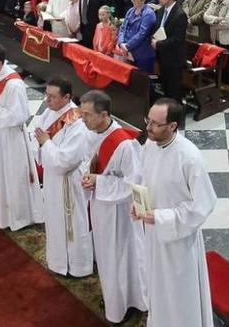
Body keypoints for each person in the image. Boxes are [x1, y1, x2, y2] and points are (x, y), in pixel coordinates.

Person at [132, 98, 216, 327]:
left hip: (178, 242)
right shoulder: (150, 144)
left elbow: (203, 205)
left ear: (173, 126)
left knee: (177, 296)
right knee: (156, 286)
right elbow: (144, 177)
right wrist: (138, 201)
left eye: (156, 124)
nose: (148, 127)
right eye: (148, 120)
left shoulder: (189, 157)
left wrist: (160, 217)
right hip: (153, 234)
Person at [79, 90, 148, 323]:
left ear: (105, 114)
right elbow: (88, 163)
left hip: (120, 213)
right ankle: (113, 297)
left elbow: (134, 183)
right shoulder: (92, 133)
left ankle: (128, 302)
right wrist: (88, 176)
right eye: (81, 113)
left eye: (87, 115)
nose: (82, 119)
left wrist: (98, 180)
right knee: (106, 256)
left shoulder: (124, 145)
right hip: (101, 205)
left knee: (121, 257)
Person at [0, 44, 44, 231]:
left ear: (0, 63)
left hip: (11, 139)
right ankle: (4, 212)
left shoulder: (14, 84)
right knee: (0, 173)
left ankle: (20, 217)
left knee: (14, 176)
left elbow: (20, 116)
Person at [32, 77, 93, 278]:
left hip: (68, 181)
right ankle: (58, 261)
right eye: (46, 94)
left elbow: (65, 161)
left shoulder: (76, 121)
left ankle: (77, 266)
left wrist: (46, 143)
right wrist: (43, 144)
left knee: (73, 223)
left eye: (52, 96)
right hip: (52, 179)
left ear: (67, 97)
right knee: (54, 219)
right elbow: (39, 141)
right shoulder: (49, 113)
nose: (46, 100)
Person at [152, 0, 188, 102]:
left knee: (173, 91)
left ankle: (176, 115)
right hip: (162, 55)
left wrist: (158, 44)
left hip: (174, 58)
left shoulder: (180, 14)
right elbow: (157, 28)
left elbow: (177, 39)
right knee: (165, 88)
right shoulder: (162, 10)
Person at [117, 0, 157, 74]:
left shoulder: (149, 14)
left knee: (143, 80)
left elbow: (142, 34)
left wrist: (127, 46)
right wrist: (121, 43)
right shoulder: (131, 10)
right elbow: (122, 28)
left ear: (143, 0)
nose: (132, 0)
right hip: (127, 51)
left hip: (142, 53)